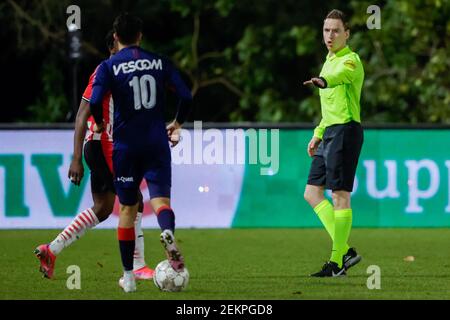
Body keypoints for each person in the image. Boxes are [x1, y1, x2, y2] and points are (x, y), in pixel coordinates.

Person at [34, 30, 154, 281]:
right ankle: (138, 265)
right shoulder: (105, 70)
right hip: (101, 145)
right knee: (135, 200)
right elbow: (82, 114)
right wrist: (76, 158)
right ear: (114, 46)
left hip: (106, 145)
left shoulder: (126, 74)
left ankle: (51, 249)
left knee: (103, 208)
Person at [90, 13, 192, 292]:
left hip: (126, 147)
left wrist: (99, 124)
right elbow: (186, 94)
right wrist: (178, 123)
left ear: (115, 37)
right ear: (140, 36)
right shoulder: (159, 61)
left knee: (127, 209)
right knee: (160, 202)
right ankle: (167, 232)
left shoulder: (108, 66)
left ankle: (129, 278)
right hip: (156, 141)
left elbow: (95, 100)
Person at [303, 9, 364, 277]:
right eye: (327, 30)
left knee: (340, 196)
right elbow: (330, 107)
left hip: (346, 132)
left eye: (336, 30)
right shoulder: (327, 61)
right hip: (329, 132)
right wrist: (318, 132)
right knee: (312, 193)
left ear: (346, 34)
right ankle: (346, 251)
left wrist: (324, 81)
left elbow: (340, 77)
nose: (330, 35)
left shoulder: (350, 60)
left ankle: (337, 262)